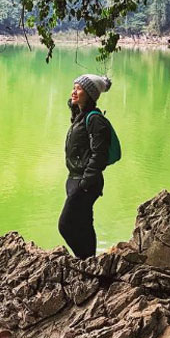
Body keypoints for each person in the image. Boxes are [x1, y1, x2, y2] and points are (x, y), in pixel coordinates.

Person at [59, 74, 112, 259]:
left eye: (79, 88)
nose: (73, 91)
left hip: (86, 183)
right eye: (73, 87)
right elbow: (72, 103)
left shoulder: (95, 120)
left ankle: (85, 261)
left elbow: (100, 155)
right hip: (75, 180)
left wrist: (85, 182)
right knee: (84, 224)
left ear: (89, 94)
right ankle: (91, 261)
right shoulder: (79, 116)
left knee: (65, 225)